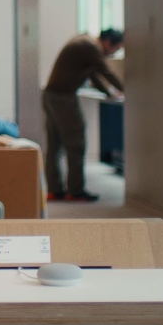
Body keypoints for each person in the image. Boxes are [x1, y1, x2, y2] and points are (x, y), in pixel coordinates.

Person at [41, 29, 124, 202]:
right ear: (108, 42)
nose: (113, 54)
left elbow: (93, 74)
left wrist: (109, 93)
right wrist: (127, 90)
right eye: (115, 49)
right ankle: (76, 191)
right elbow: (104, 71)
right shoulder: (91, 46)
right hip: (63, 98)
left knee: (55, 145)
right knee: (76, 143)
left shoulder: (83, 41)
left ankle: (54, 190)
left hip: (51, 95)